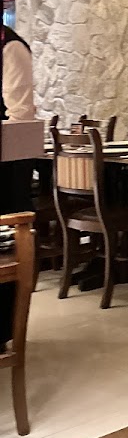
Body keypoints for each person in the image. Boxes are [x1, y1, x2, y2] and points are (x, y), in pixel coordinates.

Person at [1, 24, 35, 352]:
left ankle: (3, 330)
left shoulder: (11, 48)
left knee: (6, 246)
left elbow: (20, 116)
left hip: (8, 167)